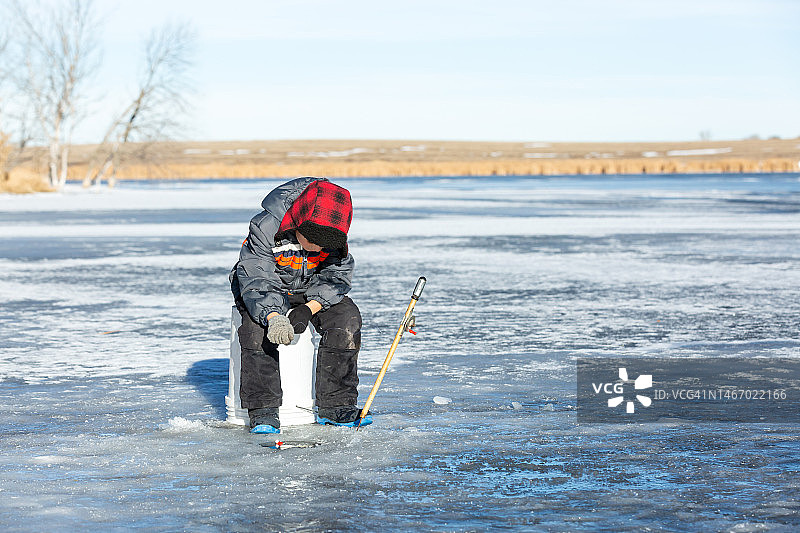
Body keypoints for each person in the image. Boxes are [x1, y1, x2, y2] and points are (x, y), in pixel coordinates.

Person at [229, 177, 371, 433]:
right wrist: (273, 316)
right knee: (255, 330)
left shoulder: (333, 231)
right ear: (298, 224)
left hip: (309, 290)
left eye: (324, 245)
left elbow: (337, 277)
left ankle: (337, 405)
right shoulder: (266, 226)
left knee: (347, 319)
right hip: (264, 288)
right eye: (312, 241)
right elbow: (256, 276)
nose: (318, 249)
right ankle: (263, 409)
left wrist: (309, 308)